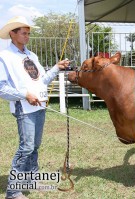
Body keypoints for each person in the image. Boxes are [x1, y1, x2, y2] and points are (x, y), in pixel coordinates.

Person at [0, 16, 70, 199]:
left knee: (34, 146)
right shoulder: (4, 57)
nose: (27, 36)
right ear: (12, 34)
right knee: (26, 147)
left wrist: (56, 68)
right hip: (24, 108)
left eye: (28, 33)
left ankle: (31, 180)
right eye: (24, 33)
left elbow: (41, 81)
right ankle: (13, 191)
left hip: (39, 106)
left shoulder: (32, 56)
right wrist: (24, 95)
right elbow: (1, 88)